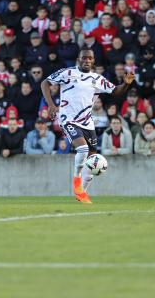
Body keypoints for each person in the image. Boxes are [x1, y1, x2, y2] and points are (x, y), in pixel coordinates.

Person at [41, 49, 135, 204]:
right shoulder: (68, 73)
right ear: (79, 59)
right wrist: (51, 105)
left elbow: (116, 91)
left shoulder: (97, 79)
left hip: (87, 122)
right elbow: (45, 83)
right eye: (84, 58)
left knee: (92, 160)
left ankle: (81, 195)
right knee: (83, 150)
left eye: (90, 58)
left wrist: (126, 84)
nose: (87, 60)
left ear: (93, 60)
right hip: (68, 119)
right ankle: (76, 181)